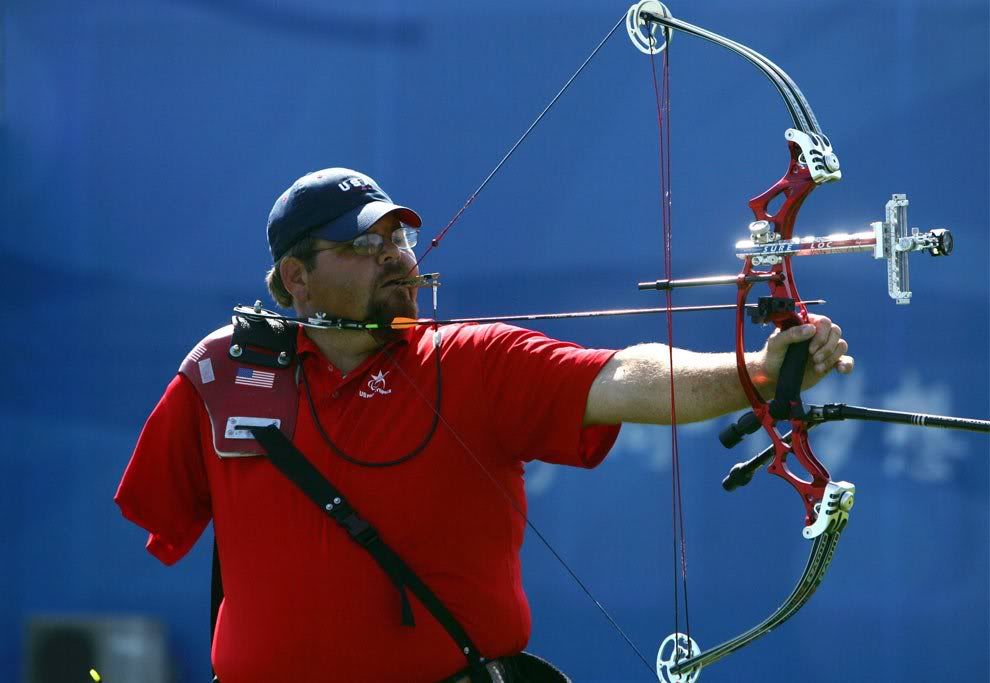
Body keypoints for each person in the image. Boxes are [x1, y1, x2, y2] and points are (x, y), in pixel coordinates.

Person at [115, 167, 853, 683]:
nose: (395, 258)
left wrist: (757, 369)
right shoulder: (223, 372)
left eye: (398, 239)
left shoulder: (469, 362)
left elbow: (626, 376)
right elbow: (163, 516)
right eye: (363, 246)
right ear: (295, 279)